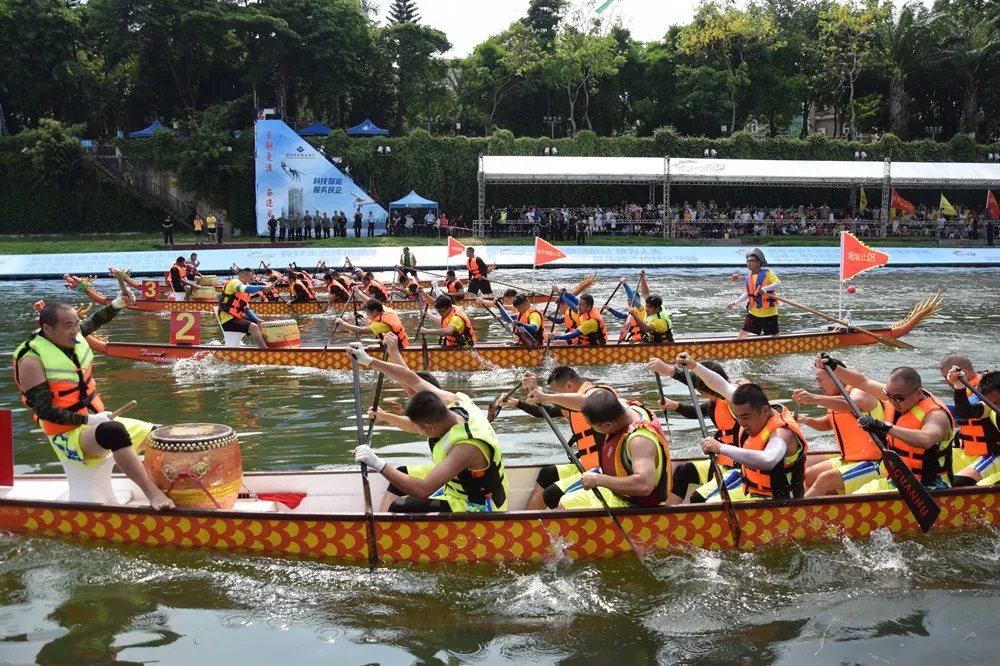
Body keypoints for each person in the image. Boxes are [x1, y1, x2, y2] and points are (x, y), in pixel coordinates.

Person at [13, 291, 175, 510]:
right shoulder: (31, 361)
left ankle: (177, 487)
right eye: (68, 326)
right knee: (113, 432)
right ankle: (152, 493)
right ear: (48, 329)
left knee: (161, 435)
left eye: (76, 324)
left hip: (95, 422)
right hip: (66, 434)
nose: (75, 330)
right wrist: (89, 420)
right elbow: (45, 412)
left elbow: (95, 320)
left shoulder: (71, 337)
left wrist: (118, 302)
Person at [349, 342, 509, 514]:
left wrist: (376, 462)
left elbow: (422, 490)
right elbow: (412, 379)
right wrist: (368, 360)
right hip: (457, 486)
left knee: (399, 506)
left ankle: (389, 526)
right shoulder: (454, 402)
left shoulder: (466, 447)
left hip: (478, 504)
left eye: (418, 428)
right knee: (400, 474)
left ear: (429, 427)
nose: (415, 430)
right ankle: (382, 522)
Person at [680, 353, 809, 500]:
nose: (741, 423)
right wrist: (694, 365)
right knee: (705, 503)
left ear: (765, 411)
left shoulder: (782, 433)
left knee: (709, 506)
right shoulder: (752, 406)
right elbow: (719, 384)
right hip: (752, 491)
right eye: (738, 416)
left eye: (746, 417)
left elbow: (769, 460)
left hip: (778, 501)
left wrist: (721, 448)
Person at [824, 357, 954, 491]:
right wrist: (834, 367)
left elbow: (926, 439)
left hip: (929, 488)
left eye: (899, 398)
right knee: (855, 497)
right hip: (896, 481)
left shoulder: (936, 415)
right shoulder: (896, 396)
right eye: (888, 395)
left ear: (918, 393)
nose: (892, 402)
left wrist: (884, 427)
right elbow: (862, 381)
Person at [506, 366, 619, 509]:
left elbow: (589, 402)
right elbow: (545, 411)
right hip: (586, 465)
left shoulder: (601, 395)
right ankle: (527, 521)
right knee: (547, 474)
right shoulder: (572, 405)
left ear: (569, 386)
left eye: (558, 393)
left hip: (605, 470)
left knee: (552, 494)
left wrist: (545, 395)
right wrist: (517, 403)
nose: (558, 398)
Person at [543, 388, 673, 510]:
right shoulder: (624, 407)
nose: (591, 427)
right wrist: (546, 397)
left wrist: (598, 480)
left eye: (591, 426)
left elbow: (644, 485)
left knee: (564, 508)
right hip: (615, 491)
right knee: (562, 502)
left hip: (633, 505)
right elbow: (585, 401)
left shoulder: (639, 441)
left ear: (607, 425)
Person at [647, 357, 743, 502]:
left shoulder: (734, 401)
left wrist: (668, 370)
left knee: (697, 498)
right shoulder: (714, 404)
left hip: (738, 469)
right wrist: (674, 405)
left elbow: (709, 382)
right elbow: (696, 412)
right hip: (722, 464)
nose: (698, 391)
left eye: (700, 387)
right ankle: (669, 513)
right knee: (683, 471)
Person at [792, 354, 884, 497]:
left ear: (838, 377)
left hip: (876, 462)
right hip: (850, 460)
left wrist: (813, 398)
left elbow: (851, 404)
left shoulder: (860, 391)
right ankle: (827, 505)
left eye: (820, 380)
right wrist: (806, 420)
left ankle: (798, 510)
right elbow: (828, 423)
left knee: (825, 479)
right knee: (808, 475)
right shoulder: (834, 400)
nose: (819, 385)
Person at [945, 366, 999, 486]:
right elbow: (965, 412)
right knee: (954, 480)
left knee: (974, 485)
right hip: (993, 456)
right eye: (993, 403)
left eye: (998, 402)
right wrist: (959, 386)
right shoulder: (988, 407)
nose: (995, 406)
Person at [938, 353, 982, 477]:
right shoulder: (965, 390)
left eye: (947, 377)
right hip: (966, 451)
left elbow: (963, 412)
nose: (947, 381)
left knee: (956, 481)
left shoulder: (985, 387)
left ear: (964, 374)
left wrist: (927, 405)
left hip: (987, 455)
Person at [728, 248, 780, 337]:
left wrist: (764, 289)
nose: (749, 263)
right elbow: (747, 293)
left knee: (774, 336)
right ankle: (740, 345)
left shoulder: (768, 273)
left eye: (752, 261)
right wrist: (735, 303)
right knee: (742, 334)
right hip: (753, 312)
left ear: (759, 263)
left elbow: (778, 284)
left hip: (769, 312)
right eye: (748, 261)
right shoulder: (748, 277)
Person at [219, 268, 270, 348]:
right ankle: (266, 351)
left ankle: (268, 346)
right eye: (250, 279)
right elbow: (244, 288)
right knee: (254, 327)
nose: (252, 281)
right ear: (243, 276)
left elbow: (247, 309)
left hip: (236, 318)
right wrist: (262, 287)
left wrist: (257, 320)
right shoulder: (234, 283)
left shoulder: (245, 290)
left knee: (261, 325)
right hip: (228, 320)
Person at [333, 299, 410, 348]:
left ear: (375, 311)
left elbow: (360, 330)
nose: (367, 315)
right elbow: (370, 300)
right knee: (370, 347)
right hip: (398, 344)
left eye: (368, 313)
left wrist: (343, 322)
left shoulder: (381, 325)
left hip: (397, 349)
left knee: (368, 348)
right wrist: (357, 292)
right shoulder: (386, 310)